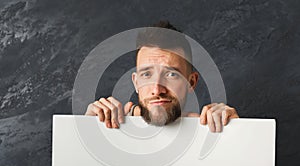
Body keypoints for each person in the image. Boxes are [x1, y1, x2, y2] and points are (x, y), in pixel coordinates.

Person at [85, 21, 239, 132]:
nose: (157, 89)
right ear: (136, 83)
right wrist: (86, 126)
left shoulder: (210, 129)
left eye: (171, 74)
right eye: (146, 74)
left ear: (191, 82)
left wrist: (239, 131)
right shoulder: (104, 124)